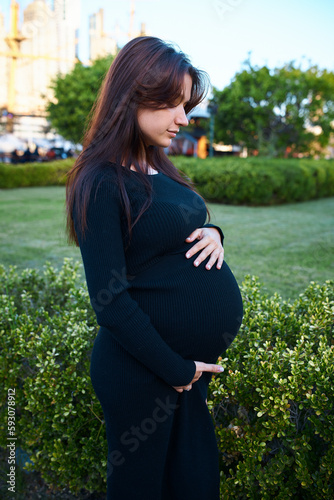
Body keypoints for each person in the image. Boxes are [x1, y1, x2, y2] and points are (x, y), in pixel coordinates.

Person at [66, 36, 243, 500]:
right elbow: (109, 300)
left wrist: (215, 232)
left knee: (193, 479)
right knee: (141, 488)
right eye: (171, 104)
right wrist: (176, 368)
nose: (184, 119)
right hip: (142, 370)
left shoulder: (155, 164)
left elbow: (176, 228)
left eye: (185, 105)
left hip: (183, 368)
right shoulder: (100, 180)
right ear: (132, 97)